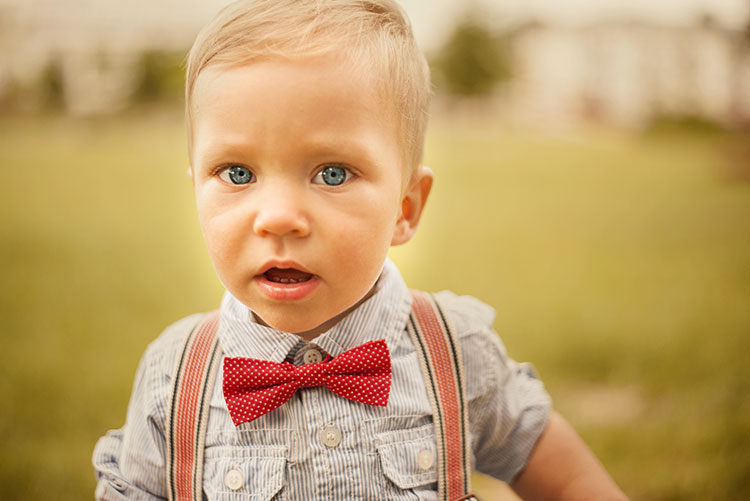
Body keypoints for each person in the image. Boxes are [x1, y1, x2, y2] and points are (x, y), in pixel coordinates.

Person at [93, 0, 628, 499]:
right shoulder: (177, 377)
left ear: (405, 208)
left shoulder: (455, 351)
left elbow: (566, 476)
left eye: (331, 173)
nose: (277, 216)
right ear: (195, 194)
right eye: (237, 173)